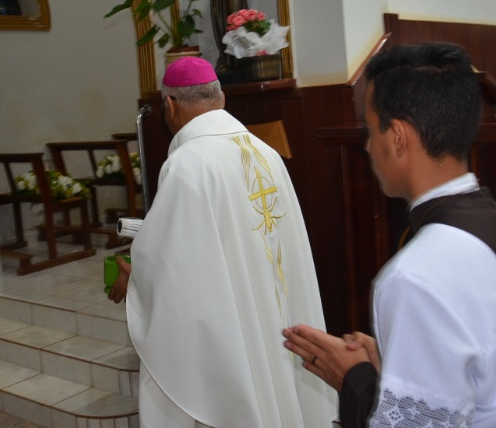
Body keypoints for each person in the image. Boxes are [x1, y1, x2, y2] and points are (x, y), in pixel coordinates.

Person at [282, 42, 496, 428]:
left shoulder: (412, 276)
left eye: (370, 129)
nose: (367, 145)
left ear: (397, 137)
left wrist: (352, 378)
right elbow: (492, 365)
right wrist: (395, 361)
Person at [107, 56, 335, 427]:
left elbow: (175, 266)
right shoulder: (267, 154)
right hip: (278, 310)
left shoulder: (186, 163)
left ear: (170, 104)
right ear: (222, 98)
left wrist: (136, 275)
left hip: (238, 318)